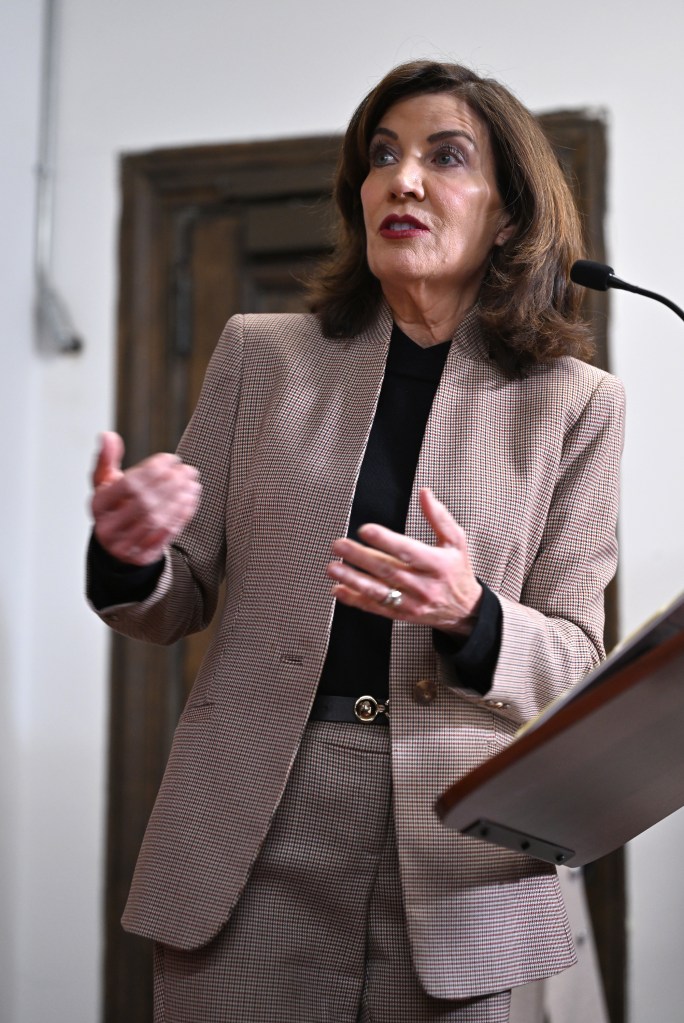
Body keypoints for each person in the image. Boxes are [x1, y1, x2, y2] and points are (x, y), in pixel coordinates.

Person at [87, 60, 624, 1023]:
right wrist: (129, 553)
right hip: (258, 824)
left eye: (444, 156)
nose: (402, 179)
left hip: (456, 845)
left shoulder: (577, 408)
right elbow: (179, 594)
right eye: (383, 155)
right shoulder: (262, 356)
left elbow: (578, 663)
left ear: (508, 214)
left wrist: (475, 614)